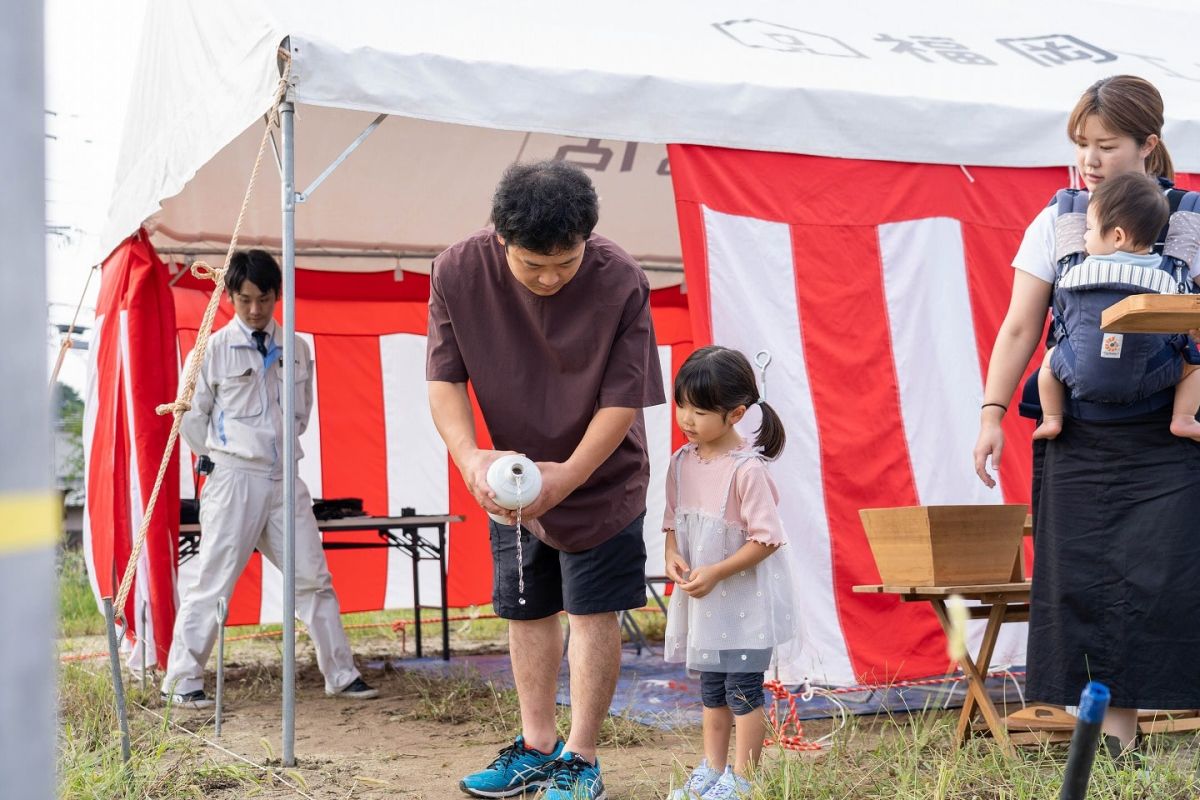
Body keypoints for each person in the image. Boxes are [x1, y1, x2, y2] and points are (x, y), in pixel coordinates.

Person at [973, 75, 1200, 761]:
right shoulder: (1060, 218)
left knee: (1161, 584)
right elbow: (1020, 327)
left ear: (1149, 143)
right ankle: (1112, 746)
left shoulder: (1190, 221)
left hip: (1168, 440)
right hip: (1077, 433)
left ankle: (1134, 740)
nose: (1090, 160)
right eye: (1081, 145)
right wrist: (989, 413)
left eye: (1107, 145)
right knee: (1085, 588)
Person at [426, 160, 664, 799]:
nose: (552, 276)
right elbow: (444, 379)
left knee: (591, 611)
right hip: (512, 477)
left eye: (567, 260)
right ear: (500, 236)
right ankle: (535, 746)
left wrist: (572, 475)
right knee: (526, 607)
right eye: (534, 264)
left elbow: (624, 400)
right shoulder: (456, 271)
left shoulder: (621, 280)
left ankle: (581, 758)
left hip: (600, 473)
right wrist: (471, 459)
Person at [163, 249, 377, 709]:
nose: (255, 310)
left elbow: (300, 415)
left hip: (285, 479)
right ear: (230, 298)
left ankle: (341, 674)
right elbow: (191, 420)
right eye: (244, 300)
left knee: (313, 579)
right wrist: (227, 455)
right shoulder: (212, 349)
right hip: (233, 477)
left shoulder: (297, 348)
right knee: (213, 582)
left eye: (263, 299)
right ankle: (183, 681)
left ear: (278, 296)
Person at [662, 346, 797, 800]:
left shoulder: (746, 470)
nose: (686, 417)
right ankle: (712, 768)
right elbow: (672, 523)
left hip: (743, 605)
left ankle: (742, 779)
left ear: (735, 413)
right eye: (681, 404)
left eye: (699, 411)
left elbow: (767, 538)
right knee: (711, 691)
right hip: (708, 604)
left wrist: (717, 571)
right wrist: (671, 555)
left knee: (743, 691)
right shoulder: (681, 463)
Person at [1032, 171, 1200, 442]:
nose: (1084, 238)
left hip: (1078, 371)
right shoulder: (1167, 279)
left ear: (1118, 236)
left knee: (1049, 363)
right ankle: (1183, 419)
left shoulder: (1076, 274)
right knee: (1193, 367)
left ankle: (1052, 420)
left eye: (1088, 229)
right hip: (1149, 377)